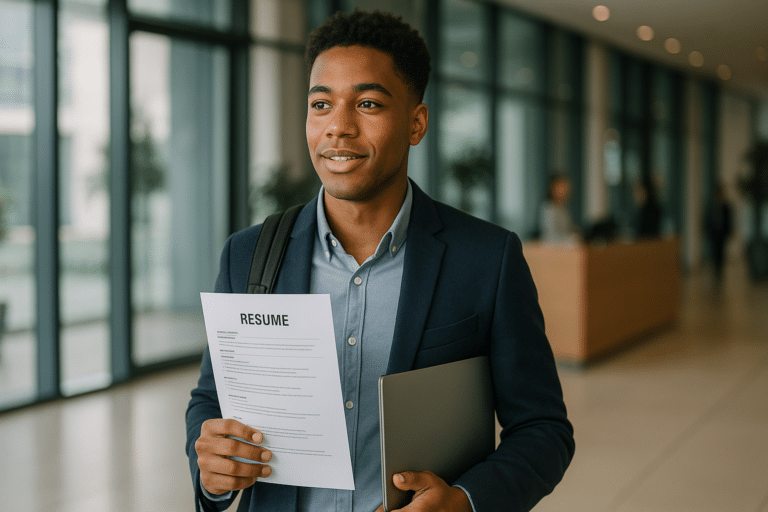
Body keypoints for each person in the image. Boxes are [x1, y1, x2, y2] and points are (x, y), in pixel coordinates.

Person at [186, 10, 574, 512]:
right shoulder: (250, 255)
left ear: (416, 122)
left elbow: (543, 430)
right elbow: (212, 400)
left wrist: (464, 501)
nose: (339, 127)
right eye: (321, 104)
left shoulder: (486, 259)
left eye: (367, 103)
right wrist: (213, 472)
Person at [704, 183, 733, 280]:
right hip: (713, 232)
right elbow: (707, 218)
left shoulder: (725, 205)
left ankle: (719, 269)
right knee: (714, 251)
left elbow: (728, 220)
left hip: (722, 232)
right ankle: (715, 268)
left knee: (721, 252)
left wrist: (729, 231)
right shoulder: (711, 205)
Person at [539, 173, 579, 243]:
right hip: (552, 251)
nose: (565, 190)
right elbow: (551, 238)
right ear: (552, 188)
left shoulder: (563, 209)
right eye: (562, 187)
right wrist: (572, 239)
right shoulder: (548, 209)